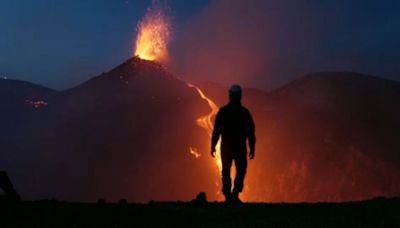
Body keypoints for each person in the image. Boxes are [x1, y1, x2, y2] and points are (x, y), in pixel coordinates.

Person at [211, 85, 256, 203]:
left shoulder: (224, 112)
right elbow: (250, 132)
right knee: (239, 170)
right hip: (238, 147)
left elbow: (216, 131)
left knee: (227, 170)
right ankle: (233, 194)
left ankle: (230, 194)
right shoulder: (244, 113)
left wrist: (213, 146)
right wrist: (252, 147)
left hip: (228, 147)